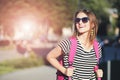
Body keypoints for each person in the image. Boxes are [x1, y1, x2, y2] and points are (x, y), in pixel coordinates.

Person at [46, 9, 103, 80]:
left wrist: (98, 72)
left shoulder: (97, 47)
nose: (80, 22)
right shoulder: (68, 43)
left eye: (84, 20)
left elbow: (92, 68)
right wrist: (64, 70)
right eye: (77, 20)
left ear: (92, 24)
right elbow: (50, 56)